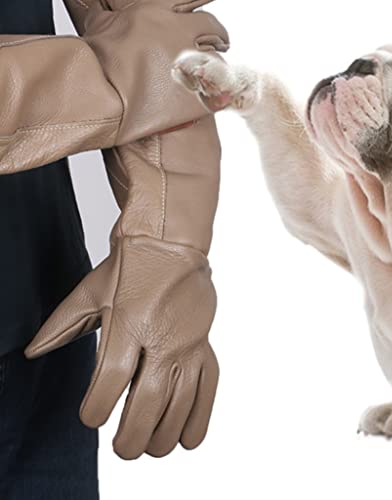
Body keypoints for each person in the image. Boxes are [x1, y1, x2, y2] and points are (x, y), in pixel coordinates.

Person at [0, 1, 228, 498]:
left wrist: (168, 232)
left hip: (38, 323)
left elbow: (147, 16)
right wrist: (113, 80)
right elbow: (148, 54)